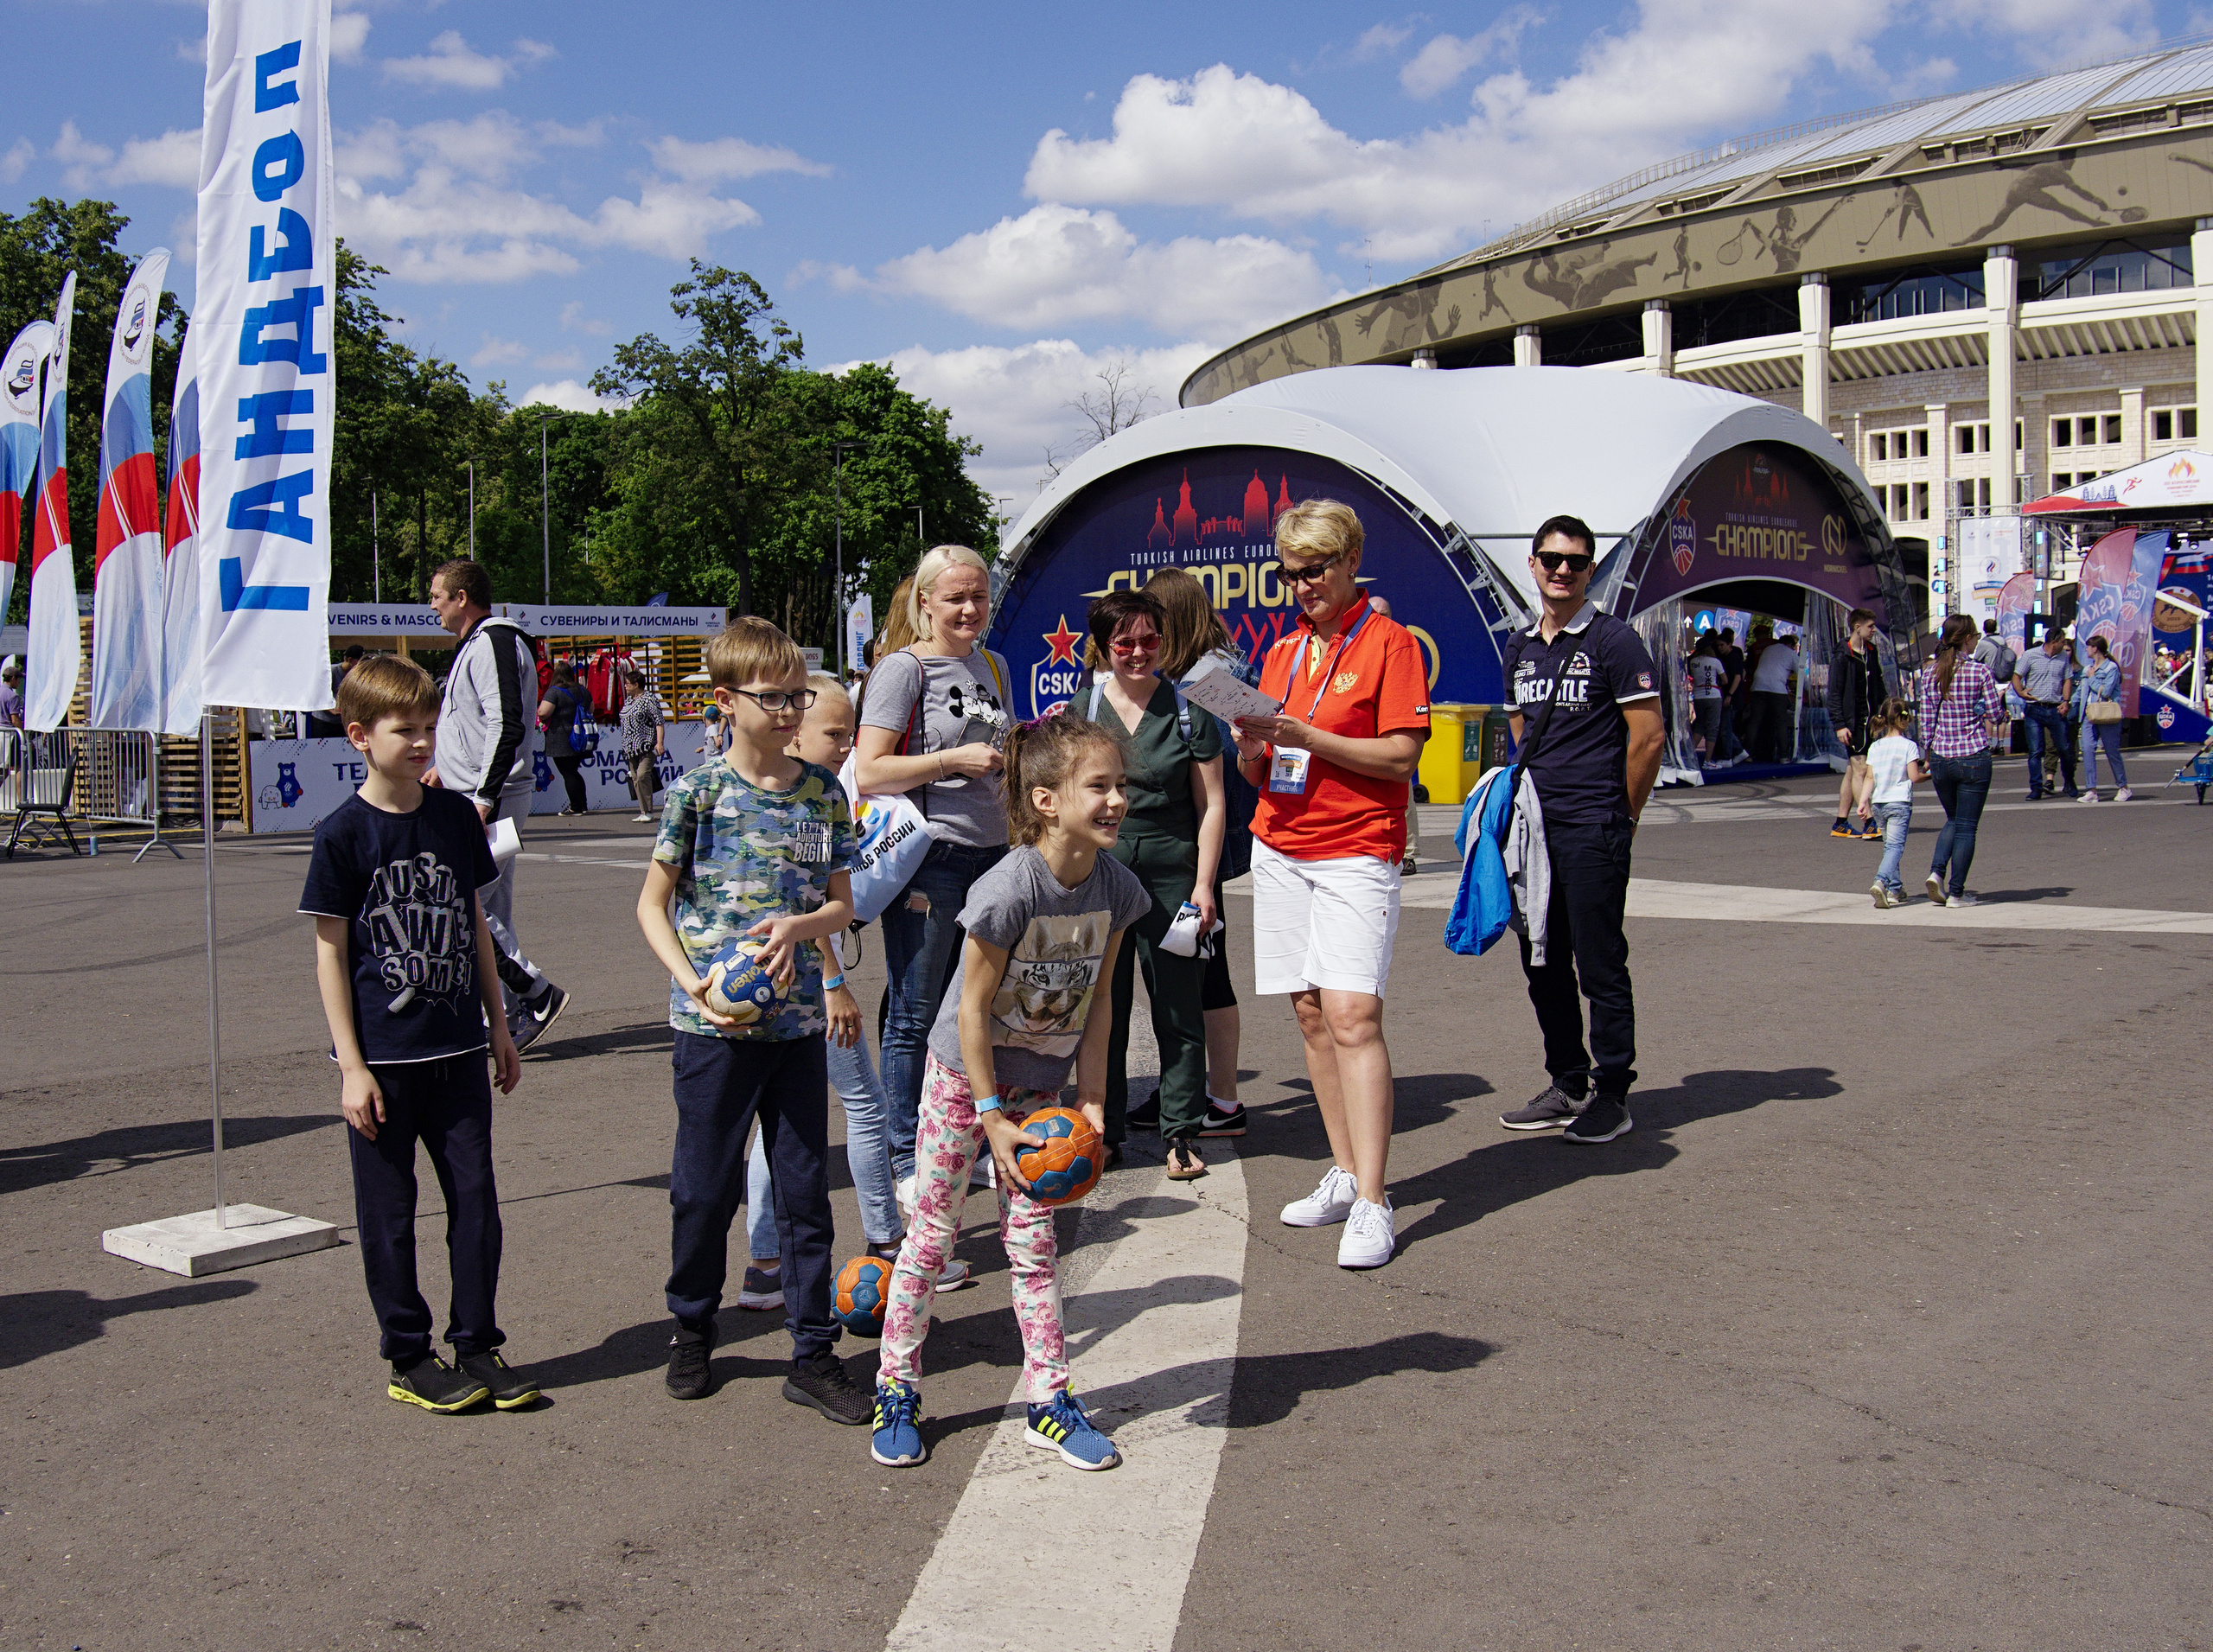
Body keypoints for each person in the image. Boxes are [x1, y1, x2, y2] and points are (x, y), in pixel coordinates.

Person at [868, 712, 1150, 1471]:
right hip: (967, 1081)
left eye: (1122, 784)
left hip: (1041, 1087)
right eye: (1101, 785)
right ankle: (896, 1385)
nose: (1118, 798)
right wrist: (989, 1113)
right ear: (1048, 798)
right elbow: (966, 1008)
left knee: (1032, 1246)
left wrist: (1091, 1099)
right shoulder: (1007, 887)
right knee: (930, 1237)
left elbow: (1100, 1002)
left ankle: (1049, 1401)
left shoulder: (1118, 889)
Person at [633, 616, 871, 1426]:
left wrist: (804, 932)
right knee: (703, 1189)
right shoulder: (699, 792)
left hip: (796, 1028)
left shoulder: (822, 791)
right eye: (773, 697)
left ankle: (812, 1352)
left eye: (797, 695)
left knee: (806, 1192)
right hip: (714, 1032)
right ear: (727, 702)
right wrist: (694, 984)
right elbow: (652, 903)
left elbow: (841, 900)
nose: (790, 710)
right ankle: (692, 1328)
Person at [297, 652, 532, 1414]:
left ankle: (476, 1343)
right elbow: (332, 953)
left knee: (476, 1202)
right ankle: (408, 1354)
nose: (425, 741)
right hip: (385, 1063)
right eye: (408, 729)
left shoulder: (454, 817)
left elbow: (474, 923)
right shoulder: (341, 835)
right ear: (360, 735)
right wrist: (350, 1067)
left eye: (432, 726)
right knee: (390, 1216)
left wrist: (501, 1024)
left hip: (460, 1049)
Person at [1229, 500, 1431, 1269]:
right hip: (1279, 843)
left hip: (1355, 847)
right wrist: (1251, 746)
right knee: (1311, 1013)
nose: (1301, 584)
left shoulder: (1390, 643)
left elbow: (1401, 758)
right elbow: (1263, 764)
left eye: (1314, 568)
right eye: (1289, 572)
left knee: (1353, 1014)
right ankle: (1345, 1172)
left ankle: (1377, 1199)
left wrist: (1305, 735)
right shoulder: (1281, 653)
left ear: (1349, 560)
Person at [736, 674, 922, 1313]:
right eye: (835, 732)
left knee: (771, 1118)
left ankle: (762, 1264)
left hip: (767, 981)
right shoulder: (808, 801)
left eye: (850, 732)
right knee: (866, 1103)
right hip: (796, 983)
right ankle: (887, 1244)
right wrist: (836, 982)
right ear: (796, 727)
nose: (847, 745)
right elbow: (804, 899)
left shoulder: (794, 789)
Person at [1494, 514, 1666, 1145]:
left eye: (1575, 560)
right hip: (1535, 832)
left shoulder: (1615, 641)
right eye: (1550, 558)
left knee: (1599, 962)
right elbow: (1519, 735)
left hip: (1594, 825)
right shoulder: (1519, 647)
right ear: (1534, 566)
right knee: (1541, 959)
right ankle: (1567, 1080)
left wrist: (1624, 814)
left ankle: (1612, 1089)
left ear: (1590, 570)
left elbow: (1648, 738)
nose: (1561, 569)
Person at [853, 547, 1013, 1195]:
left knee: (968, 1008)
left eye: (978, 596)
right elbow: (869, 769)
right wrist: (954, 761)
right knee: (915, 1012)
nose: (970, 609)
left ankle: (957, 1135)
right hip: (932, 857)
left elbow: (994, 745)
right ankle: (901, 1158)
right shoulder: (903, 668)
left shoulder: (993, 664)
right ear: (925, 602)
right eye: (955, 598)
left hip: (991, 854)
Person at [1083, 589, 1225, 1180]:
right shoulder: (1085, 709)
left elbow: (1212, 803)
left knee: (1177, 1005)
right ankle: (1104, 1132)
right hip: (1102, 868)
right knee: (1103, 1007)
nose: (1138, 652)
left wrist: (1205, 885)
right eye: (1125, 643)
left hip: (1172, 865)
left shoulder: (1191, 707)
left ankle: (1183, 1132)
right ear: (1105, 647)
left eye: (1150, 640)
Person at [423, 558, 568, 1051]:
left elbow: (507, 724)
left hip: (491, 799)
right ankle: (504, 1013)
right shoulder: (479, 645)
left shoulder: (494, 641)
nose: (433, 605)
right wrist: (445, 765)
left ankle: (537, 993)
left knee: (460, 903)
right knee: (490, 905)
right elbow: (478, 722)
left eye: (438, 595)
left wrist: (481, 797)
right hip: (481, 792)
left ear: (462, 597)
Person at [1145, 564, 1253, 1138]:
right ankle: (1184, 1087)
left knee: (1207, 970)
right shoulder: (1214, 667)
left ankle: (1224, 1098)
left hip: (1199, 845)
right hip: (1195, 844)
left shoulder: (1210, 678)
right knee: (1185, 969)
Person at [1917, 614, 2006, 908]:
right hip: (1972, 755)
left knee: (1953, 819)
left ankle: (1936, 871)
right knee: (1967, 826)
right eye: (1976, 636)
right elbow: (1996, 715)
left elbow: (1926, 722)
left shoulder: (1930, 674)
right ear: (1967, 639)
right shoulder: (1979, 672)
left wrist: (1926, 753)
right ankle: (1957, 893)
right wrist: (1983, 708)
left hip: (1941, 756)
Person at [1364, 596, 1425, 873]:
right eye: (1374, 613)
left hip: (1392, 736)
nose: (1379, 617)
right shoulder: (1360, 648)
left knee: (1405, 795)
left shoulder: (1402, 647)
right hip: (1364, 738)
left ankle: (1408, 853)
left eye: (1384, 613)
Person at [1827, 607, 1888, 839]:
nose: (1874, 630)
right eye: (1871, 626)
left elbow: (1879, 683)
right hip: (1851, 723)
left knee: (1853, 771)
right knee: (1862, 769)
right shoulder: (1842, 655)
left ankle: (1841, 823)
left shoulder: (1871, 652)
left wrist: (1884, 711)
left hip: (1870, 720)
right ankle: (1870, 821)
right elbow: (1834, 693)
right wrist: (1839, 724)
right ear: (1857, 627)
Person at [1863, 702, 1925, 909]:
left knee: (1890, 847)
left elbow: (1869, 777)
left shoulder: (1876, 746)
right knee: (1896, 847)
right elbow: (1914, 777)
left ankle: (1895, 889)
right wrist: (1931, 774)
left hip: (1879, 802)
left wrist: (1863, 801)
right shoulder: (1909, 745)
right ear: (1903, 719)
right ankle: (1881, 881)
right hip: (1899, 802)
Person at [2014, 626, 2080, 801]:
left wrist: (2066, 701)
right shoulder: (2031, 655)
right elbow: (2016, 675)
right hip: (2035, 708)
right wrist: (2021, 692)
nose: (2064, 645)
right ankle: (2036, 787)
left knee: (2064, 748)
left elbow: (2067, 679)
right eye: (2062, 641)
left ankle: (2069, 782)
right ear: (2053, 642)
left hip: (2055, 707)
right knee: (2036, 751)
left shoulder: (2063, 657)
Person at [2076, 634, 2133, 802]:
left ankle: (2124, 787)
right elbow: (2082, 692)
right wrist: (2070, 703)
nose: (2086, 650)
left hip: (2106, 714)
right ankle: (2091, 790)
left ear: (2095, 648)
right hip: (2089, 714)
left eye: (2088, 647)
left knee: (2111, 751)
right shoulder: (2087, 669)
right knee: (2087, 749)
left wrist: (2093, 679)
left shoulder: (2111, 668)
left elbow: (2106, 691)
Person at [536, 661, 590, 816]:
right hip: (580, 738)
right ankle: (583, 804)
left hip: (561, 737)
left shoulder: (554, 692)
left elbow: (543, 713)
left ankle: (575, 807)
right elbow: (591, 709)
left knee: (568, 773)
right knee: (574, 771)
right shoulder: (582, 691)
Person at [619, 664, 668, 822]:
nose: (625, 686)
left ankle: (648, 810)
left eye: (628, 683)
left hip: (646, 745)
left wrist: (659, 742)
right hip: (630, 747)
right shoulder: (628, 701)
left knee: (642, 775)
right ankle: (643, 811)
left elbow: (659, 722)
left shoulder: (649, 699)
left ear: (636, 684)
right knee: (635, 778)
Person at [1746, 624, 1801, 762]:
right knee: (1781, 722)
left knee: (1755, 722)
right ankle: (1783, 756)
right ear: (1789, 644)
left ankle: (1748, 754)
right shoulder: (1790, 653)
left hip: (1758, 687)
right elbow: (1802, 675)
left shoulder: (1768, 649)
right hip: (1777, 690)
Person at [1973, 619, 2018, 754]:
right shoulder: (2002, 640)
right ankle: (2001, 744)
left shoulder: (1984, 643)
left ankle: (1990, 743)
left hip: (1990, 680)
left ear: (1984, 628)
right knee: (2002, 713)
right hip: (2003, 679)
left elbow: (1976, 659)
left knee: (1988, 714)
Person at [1687, 635, 1725, 764]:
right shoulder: (1715, 661)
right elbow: (1725, 680)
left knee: (1700, 726)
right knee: (1713, 728)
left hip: (1699, 695)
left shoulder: (1693, 662)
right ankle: (1708, 760)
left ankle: (1689, 756)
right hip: (1713, 695)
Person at [1712, 628, 1747, 764]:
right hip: (1728, 695)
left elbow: (1738, 677)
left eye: (1722, 645)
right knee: (1725, 726)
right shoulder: (1726, 657)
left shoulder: (1733, 657)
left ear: (1729, 644)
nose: (1720, 648)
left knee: (1726, 727)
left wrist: (1730, 695)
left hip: (1731, 696)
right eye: (1718, 645)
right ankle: (1739, 751)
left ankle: (1728, 757)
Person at [0, 657, 22, 730]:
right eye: (19, 679)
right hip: (8, 734)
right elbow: (15, 720)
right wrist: (24, 736)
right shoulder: (13, 696)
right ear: (13, 678)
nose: (19, 682)